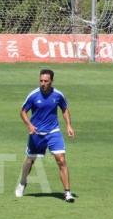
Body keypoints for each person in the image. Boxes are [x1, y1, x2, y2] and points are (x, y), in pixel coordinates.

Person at [15, 69, 75, 202]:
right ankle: (23, 182)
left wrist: (69, 125)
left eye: (46, 81)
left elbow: (64, 109)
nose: (43, 83)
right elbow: (23, 111)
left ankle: (67, 193)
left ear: (51, 81)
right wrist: (29, 125)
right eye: (41, 81)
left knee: (61, 159)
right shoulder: (33, 95)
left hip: (53, 132)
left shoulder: (58, 95)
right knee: (30, 160)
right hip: (36, 132)